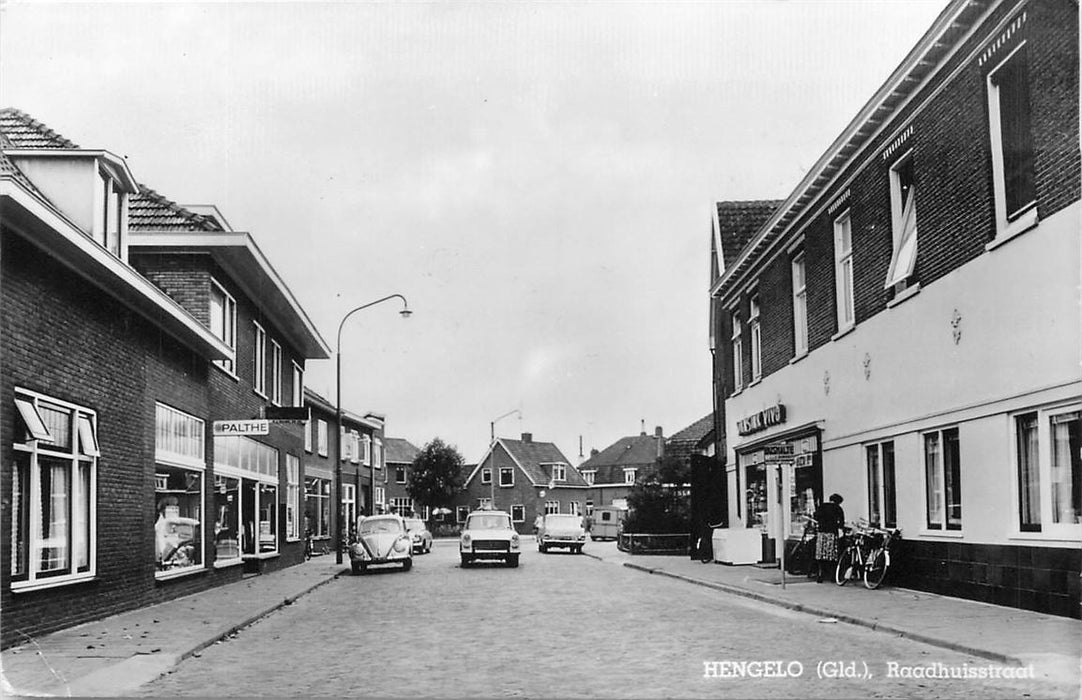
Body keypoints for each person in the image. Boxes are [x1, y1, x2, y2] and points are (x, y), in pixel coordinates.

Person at [813, 493, 845, 583]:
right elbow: (841, 522)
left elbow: (816, 516)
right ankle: (832, 576)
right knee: (832, 555)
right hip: (832, 533)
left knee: (821, 555)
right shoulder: (838, 508)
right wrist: (840, 527)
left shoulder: (822, 506)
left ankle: (820, 575)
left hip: (822, 533)